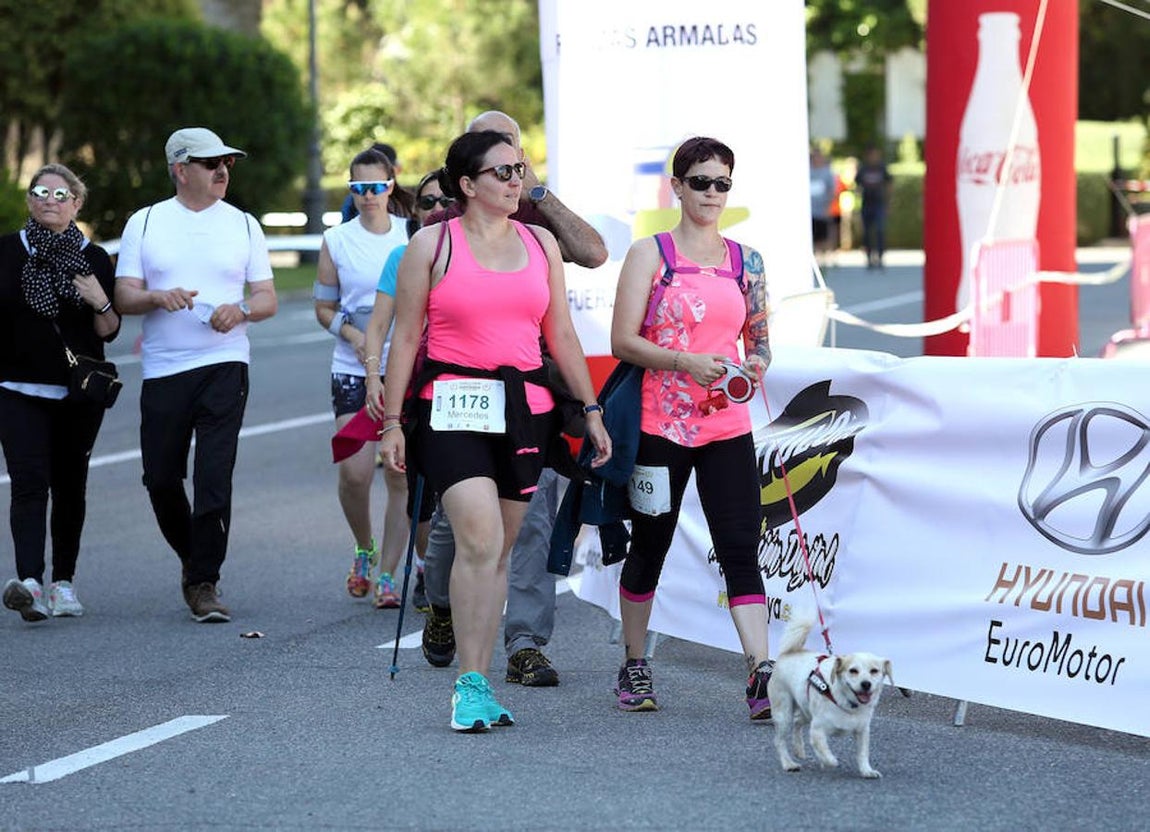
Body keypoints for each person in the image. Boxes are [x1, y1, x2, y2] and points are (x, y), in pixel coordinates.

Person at [378, 129, 611, 732]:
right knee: (479, 541)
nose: (518, 181)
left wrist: (590, 409)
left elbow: (560, 333)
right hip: (448, 408)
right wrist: (393, 423)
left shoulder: (540, 243)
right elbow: (405, 337)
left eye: (521, 169)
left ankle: (475, 674)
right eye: (504, 172)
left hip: (524, 410)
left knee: (500, 552)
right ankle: (470, 686)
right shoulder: (431, 246)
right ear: (468, 185)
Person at [609, 136, 773, 718]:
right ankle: (633, 664)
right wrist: (683, 362)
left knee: (740, 549)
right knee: (650, 545)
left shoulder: (746, 261)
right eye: (699, 182)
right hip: (661, 427)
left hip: (727, 425)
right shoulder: (650, 255)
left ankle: (760, 673)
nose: (711, 194)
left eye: (721, 183)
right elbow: (622, 341)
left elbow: (759, 344)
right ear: (676, 187)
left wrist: (752, 367)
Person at [114, 127, 278, 623]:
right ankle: (194, 558)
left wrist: (243, 310)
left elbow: (267, 298)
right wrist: (156, 298)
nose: (222, 171)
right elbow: (124, 296)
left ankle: (204, 581)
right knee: (160, 478)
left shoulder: (244, 224)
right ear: (180, 170)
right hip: (165, 368)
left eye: (227, 162)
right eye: (210, 163)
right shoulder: (145, 223)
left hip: (225, 364)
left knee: (213, 477)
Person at [0, 164, 121, 622]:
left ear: (76, 203)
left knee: (70, 488)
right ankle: (30, 584)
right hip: (15, 389)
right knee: (28, 485)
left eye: (60, 193)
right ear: (29, 200)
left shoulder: (95, 259)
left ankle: (63, 584)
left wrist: (99, 300)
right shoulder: (8, 252)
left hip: (77, 392)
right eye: (40, 191)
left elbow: (108, 331)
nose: (50, 199)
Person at [316, 147, 410, 608]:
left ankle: (388, 575)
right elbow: (323, 308)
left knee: (398, 473)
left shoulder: (411, 235)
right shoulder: (337, 240)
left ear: (391, 185)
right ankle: (364, 547)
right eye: (359, 189)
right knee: (355, 473)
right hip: (353, 368)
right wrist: (352, 334)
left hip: (405, 369)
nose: (368, 196)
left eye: (375, 187)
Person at [340, 143, 413, 223]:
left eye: (378, 186)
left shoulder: (406, 203)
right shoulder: (355, 200)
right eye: (359, 187)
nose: (368, 196)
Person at [856, 145, 893, 269]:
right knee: (866, 233)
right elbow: (857, 186)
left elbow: (889, 185)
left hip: (879, 204)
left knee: (880, 230)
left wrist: (888, 203)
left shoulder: (882, 168)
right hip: (866, 204)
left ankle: (880, 256)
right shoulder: (863, 169)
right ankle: (869, 257)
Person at [809, 148, 837, 267]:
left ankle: (822, 260)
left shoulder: (827, 173)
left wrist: (828, 205)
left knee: (823, 236)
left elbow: (832, 190)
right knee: (812, 236)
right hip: (810, 211)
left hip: (821, 210)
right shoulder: (807, 171)